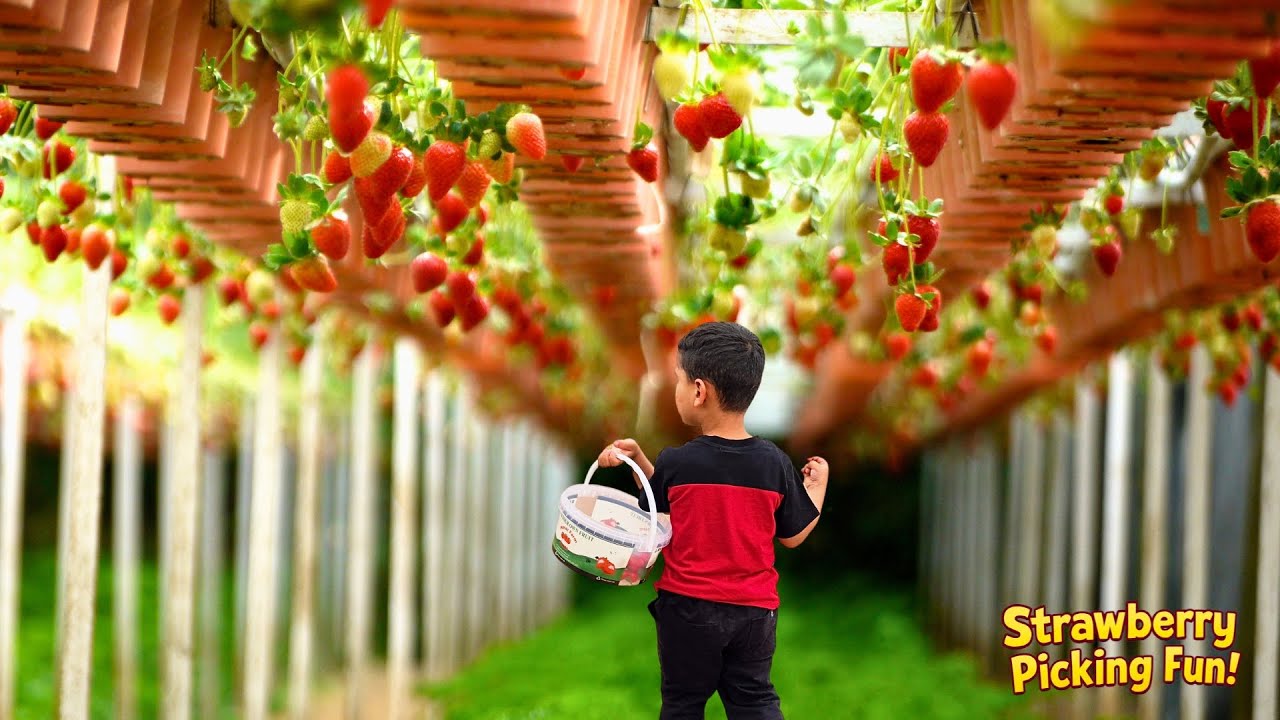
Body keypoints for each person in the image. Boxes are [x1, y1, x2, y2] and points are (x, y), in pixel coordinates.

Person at [597, 321, 828, 719]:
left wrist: (637, 462)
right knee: (755, 701)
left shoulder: (677, 462)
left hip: (688, 612)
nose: (677, 390)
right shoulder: (772, 463)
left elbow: (657, 511)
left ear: (700, 391)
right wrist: (817, 490)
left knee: (683, 704)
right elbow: (793, 535)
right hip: (754, 614)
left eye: (678, 381)